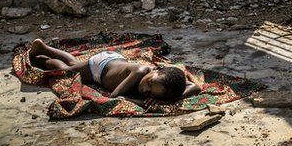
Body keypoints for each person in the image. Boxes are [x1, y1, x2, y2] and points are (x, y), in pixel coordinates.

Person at [27, 38, 200, 102]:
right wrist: (140, 102)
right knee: (68, 69)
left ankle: (44, 51)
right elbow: (115, 96)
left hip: (112, 61)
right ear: (158, 70)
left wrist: (173, 98)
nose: (144, 89)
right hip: (100, 67)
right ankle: (46, 57)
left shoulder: (164, 83)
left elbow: (196, 87)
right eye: (150, 83)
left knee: (73, 63)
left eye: (150, 93)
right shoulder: (140, 72)